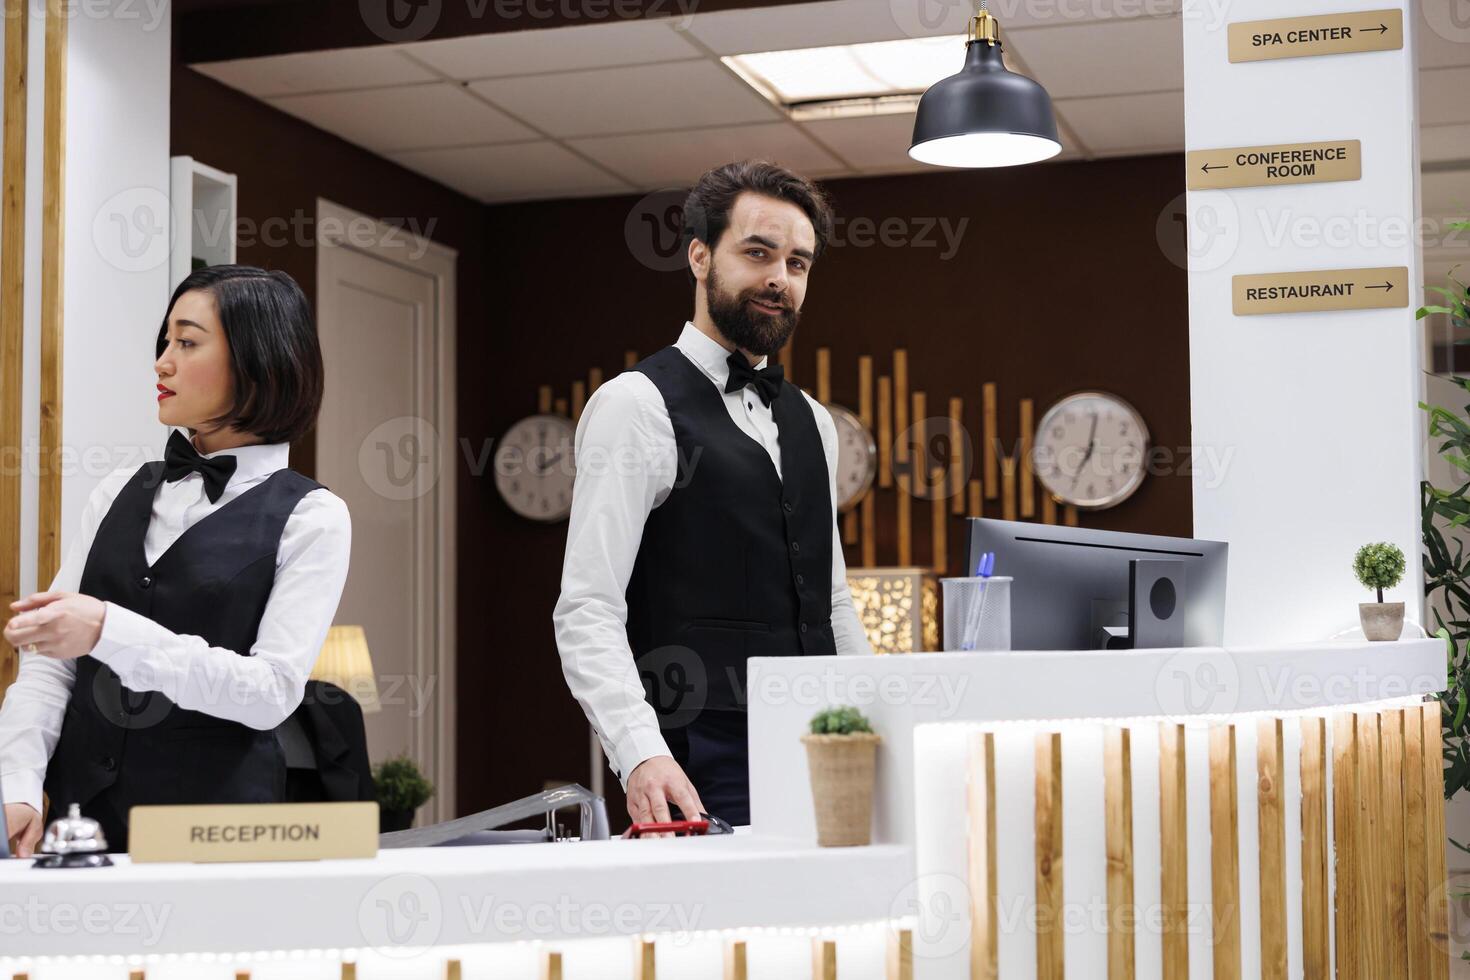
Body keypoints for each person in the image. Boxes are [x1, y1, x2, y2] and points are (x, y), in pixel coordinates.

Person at [553, 160, 873, 829]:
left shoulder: (815, 421)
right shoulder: (635, 407)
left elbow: (833, 598)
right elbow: (586, 608)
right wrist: (639, 755)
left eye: (798, 263)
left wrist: (875, 718)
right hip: (695, 755)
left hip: (821, 746)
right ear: (700, 256)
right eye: (758, 253)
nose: (779, 279)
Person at [0, 265, 352, 855]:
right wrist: (19, 784)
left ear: (257, 361)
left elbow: (270, 692)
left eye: (187, 343)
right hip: (78, 827)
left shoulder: (314, 517)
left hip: (214, 841)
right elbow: (49, 662)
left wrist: (110, 630)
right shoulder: (116, 490)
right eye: (165, 342)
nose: (162, 362)